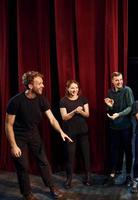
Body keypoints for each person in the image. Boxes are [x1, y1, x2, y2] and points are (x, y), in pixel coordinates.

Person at [5, 71, 73, 200]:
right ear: (30, 86)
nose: (43, 85)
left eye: (42, 83)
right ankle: (27, 193)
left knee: (43, 161)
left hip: (33, 134)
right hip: (19, 136)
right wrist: (13, 145)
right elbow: (8, 124)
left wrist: (61, 132)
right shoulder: (15, 101)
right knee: (23, 165)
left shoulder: (42, 99)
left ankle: (52, 187)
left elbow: (52, 119)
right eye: (39, 83)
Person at [104, 72, 134, 186]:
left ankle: (128, 176)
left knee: (127, 150)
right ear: (112, 81)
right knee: (114, 151)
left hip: (126, 126)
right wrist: (109, 106)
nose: (119, 82)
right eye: (117, 80)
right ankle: (112, 175)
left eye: (121, 79)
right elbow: (110, 110)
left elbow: (130, 107)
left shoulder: (127, 90)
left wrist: (119, 114)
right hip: (113, 127)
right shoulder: (109, 92)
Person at [59, 80, 91, 189]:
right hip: (69, 133)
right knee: (70, 157)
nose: (75, 90)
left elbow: (87, 114)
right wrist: (74, 111)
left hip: (83, 132)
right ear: (67, 89)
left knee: (85, 155)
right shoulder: (63, 101)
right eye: (72, 88)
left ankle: (88, 177)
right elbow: (64, 117)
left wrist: (80, 112)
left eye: (76, 88)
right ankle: (69, 178)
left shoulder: (83, 99)